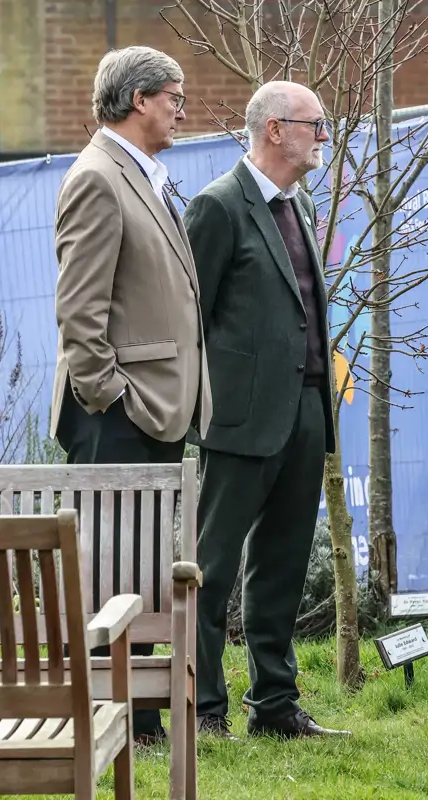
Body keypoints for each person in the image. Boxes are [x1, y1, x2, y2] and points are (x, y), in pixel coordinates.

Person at [52, 44, 211, 746]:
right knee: (108, 573)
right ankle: (99, 718)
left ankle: (138, 720)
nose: (183, 107)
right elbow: (80, 315)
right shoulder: (98, 178)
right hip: (117, 415)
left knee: (140, 570)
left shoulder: (141, 175)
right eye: (174, 95)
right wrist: (111, 398)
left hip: (151, 408)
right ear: (138, 99)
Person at [182, 81, 349, 740]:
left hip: (306, 411)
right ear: (274, 129)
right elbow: (189, 320)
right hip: (240, 421)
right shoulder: (218, 206)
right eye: (315, 124)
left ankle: (275, 707)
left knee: (279, 566)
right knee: (210, 569)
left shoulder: (298, 204)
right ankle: (204, 710)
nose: (323, 138)